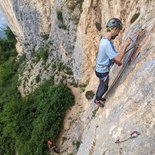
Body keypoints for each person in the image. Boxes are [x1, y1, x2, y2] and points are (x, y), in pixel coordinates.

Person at [94, 18, 131, 107]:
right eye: (118, 31)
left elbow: (111, 57)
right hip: (103, 71)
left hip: (99, 69)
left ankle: (98, 97)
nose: (118, 34)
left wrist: (115, 61)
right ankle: (97, 100)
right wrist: (125, 45)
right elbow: (118, 59)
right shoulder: (107, 44)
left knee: (101, 84)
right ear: (114, 29)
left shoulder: (104, 39)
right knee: (104, 86)